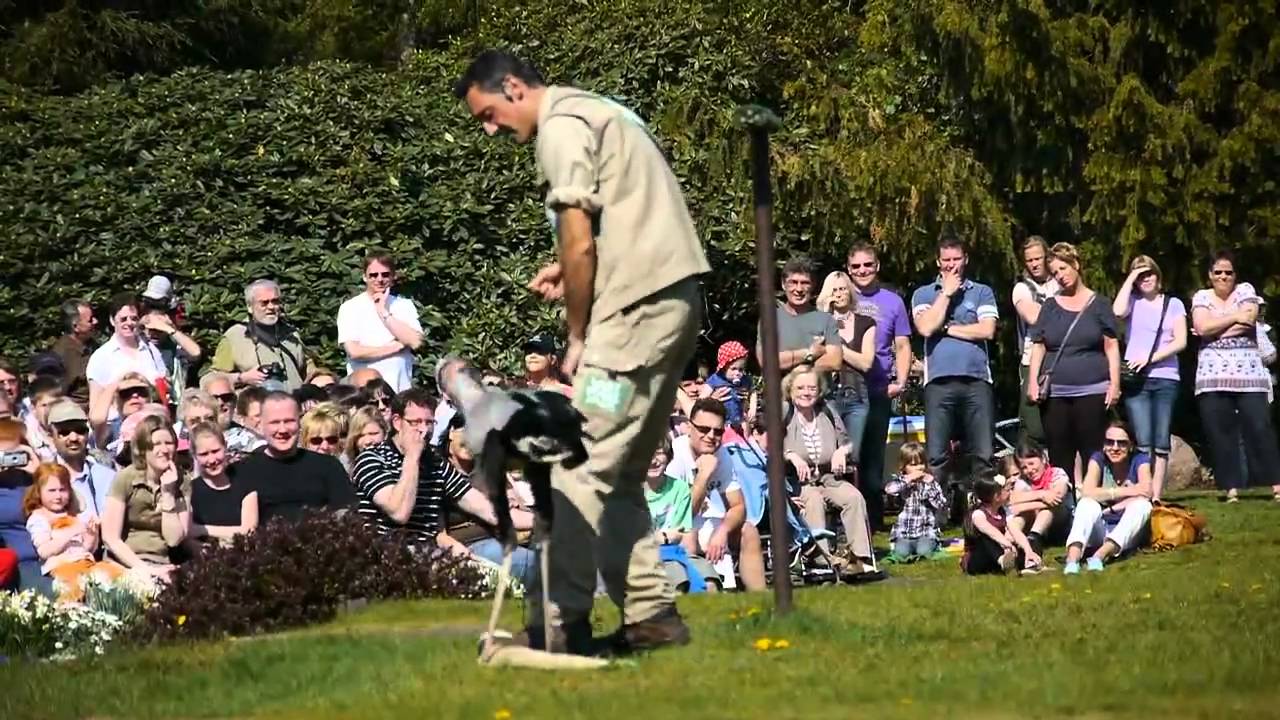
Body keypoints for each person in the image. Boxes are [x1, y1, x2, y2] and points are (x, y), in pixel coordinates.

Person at [455, 48, 711, 654]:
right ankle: (651, 616)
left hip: (632, 317)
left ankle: (558, 621)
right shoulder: (603, 112)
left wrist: (577, 329)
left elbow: (579, 240)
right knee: (617, 473)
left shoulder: (561, 127)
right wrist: (574, 269)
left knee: (572, 461)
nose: (490, 130)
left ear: (513, 87)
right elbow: (620, 223)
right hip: (672, 303)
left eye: (489, 114)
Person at [1026, 242, 1120, 486]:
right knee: (1059, 454)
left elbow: (1111, 345)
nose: (1060, 276)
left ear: (1076, 264)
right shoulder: (1050, 306)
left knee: (1093, 452)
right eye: (1055, 273)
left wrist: (1115, 384)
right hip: (1056, 393)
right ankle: (1064, 504)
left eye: (1063, 268)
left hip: (1093, 390)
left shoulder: (1100, 304)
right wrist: (1033, 382)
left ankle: (1093, 502)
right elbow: (1039, 345)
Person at [1190, 251, 1280, 503]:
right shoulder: (1201, 296)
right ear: (1210, 275)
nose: (1223, 276)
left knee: (1260, 429)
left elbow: (1248, 320)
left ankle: (1277, 485)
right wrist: (1232, 317)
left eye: (1228, 272)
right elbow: (1201, 326)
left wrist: (1214, 330)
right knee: (1221, 433)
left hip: (1250, 377)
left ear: (1235, 274)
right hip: (1212, 378)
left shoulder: (1245, 291)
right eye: (1218, 272)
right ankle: (1231, 490)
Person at [912, 231, 1000, 477]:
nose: (951, 265)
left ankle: (983, 501)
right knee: (937, 456)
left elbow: (987, 330)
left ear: (966, 259)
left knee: (983, 453)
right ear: (938, 262)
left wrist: (947, 328)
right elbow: (926, 327)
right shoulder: (924, 294)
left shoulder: (981, 291)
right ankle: (937, 503)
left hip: (977, 380)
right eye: (946, 260)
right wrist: (946, 293)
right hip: (938, 382)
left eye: (956, 259)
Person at [845, 242, 912, 529]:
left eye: (867, 265)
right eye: (856, 266)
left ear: (877, 266)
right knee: (846, 455)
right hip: (843, 390)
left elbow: (902, 344)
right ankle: (845, 520)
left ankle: (872, 522)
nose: (862, 271)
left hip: (878, 388)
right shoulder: (841, 295)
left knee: (873, 460)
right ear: (848, 269)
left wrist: (901, 381)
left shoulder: (892, 301)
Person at [1112, 255, 1186, 501]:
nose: (1145, 279)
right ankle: (1144, 490)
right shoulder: (1132, 302)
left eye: (1148, 274)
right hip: (1137, 380)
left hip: (1165, 377)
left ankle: (1156, 495)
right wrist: (1131, 277)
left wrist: (1150, 358)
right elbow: (1117, 311)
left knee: (1161, 439)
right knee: (1142, 439)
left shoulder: (1173, 304)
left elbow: (1181, 341)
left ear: (1158, 275)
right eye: (1140, 276)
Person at [234, 392, 356, 523]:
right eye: (275, 422)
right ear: (262, 425)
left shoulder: (328, 466)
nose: (282, 430)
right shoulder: (242, 472)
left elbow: (346, 511)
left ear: (299, 423)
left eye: (289, 421)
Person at [101, 415, 191, 579]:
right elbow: (110, 537)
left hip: (162, 562)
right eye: (156, 444)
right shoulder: (126, 478)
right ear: (143, 449)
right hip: (124, 562)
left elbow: (174, 539)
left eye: (169, 443)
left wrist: (168, 493)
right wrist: (144, 569)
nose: (164, 450)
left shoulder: (182, 481)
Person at [23, 463, 123, 602]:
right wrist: (73, 531)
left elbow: (87, 548)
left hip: (86, 563)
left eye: (62, 490)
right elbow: (44, 551)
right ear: (39, 492)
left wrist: (91, 535)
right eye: (52, 491)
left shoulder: (74, 516)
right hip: (62, 566)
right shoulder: (39, 518)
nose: (58, 496)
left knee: (115, 576)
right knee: (75, 587)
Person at [1062, 421, 1154, 574]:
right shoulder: (1098, 459)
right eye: (1110, 442)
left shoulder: (1140, 459)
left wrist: (1109, 504)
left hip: (1129, 531)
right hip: (1102, 527)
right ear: (1104, 445)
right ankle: (1072, 560)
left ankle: (1099, 556)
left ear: (1131, 446)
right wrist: (1128, 491)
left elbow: (1146, 491)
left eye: (1122, 443)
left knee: (1143, 506)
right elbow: (1087, 492)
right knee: (1086, 504)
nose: (1115, 448)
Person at [815, 270, 876, 488]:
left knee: (852, 455)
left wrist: (837, 344)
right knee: (827, 454)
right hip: (827, 395)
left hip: (856, 396)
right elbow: (814, 354)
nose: (839, 294)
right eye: (834, 290)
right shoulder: (819, 322)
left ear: (850, 291)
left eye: (843, 289)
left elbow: (866, 363)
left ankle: (853, 502)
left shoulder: (866, 323)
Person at [337, 252, 423, 392]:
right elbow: (355, 352)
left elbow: (416, 342)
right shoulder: (350, 308)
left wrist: (383, 311)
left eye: (385, 274)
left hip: (400, 390)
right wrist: (397, 346)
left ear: (393, 276)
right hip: (363, 391)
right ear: (364, 276)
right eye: (373, 275)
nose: (380, 279)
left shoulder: (404, 305)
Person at [208, 279, 314, 393]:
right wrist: (241, 378)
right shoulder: (234, 337)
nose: (271, 307)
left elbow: (308, 368)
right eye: (264, 303)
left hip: (295, 402)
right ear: (250, 307)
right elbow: (212, 378)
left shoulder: (291, 334)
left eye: (275, 301)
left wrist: (318, 378)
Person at [1011, 236, 1060, 446]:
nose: (1034, 264)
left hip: (1062, 359)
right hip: (1032, 362)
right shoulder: (1022, 288)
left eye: (1038, 258)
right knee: (1034, 427)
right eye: (1029, 260)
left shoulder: (1061, 282)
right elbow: (1033, 317)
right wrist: (1065, 313)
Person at [187, 423, 258, 547]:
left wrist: (200, 529)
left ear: (225, 447)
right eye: (204, 454)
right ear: (194, 456)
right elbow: (187, 534)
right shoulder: (190, 491)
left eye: (215, 451)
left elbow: (248, 531)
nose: (212, 460)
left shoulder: (245, 485)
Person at [961, 472, 1040, 576]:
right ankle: (1004, 561)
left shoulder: (1004, 511)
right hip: (978, 559)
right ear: (997, 496)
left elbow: (1016, 532)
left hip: (1000, 551)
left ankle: (1028, 562)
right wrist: (1007, 544)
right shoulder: (978, 514)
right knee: (986, 538)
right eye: (1007, 490)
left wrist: (1028, 550)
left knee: (1030, 541)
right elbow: (991, 531)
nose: (1010, 492)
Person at [883, 441, 946, 561]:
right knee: (901, 553)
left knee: (924, 551)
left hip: (925, 532)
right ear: (903, 467)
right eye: (913, 465)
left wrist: (930, 485)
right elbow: (889, 490)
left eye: (921, 463)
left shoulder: (931, 482)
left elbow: (940, 504)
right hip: (904, 533)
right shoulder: (901, 481)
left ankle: (933, 544)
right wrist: (908, 479)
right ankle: (902, 546)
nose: (918, 468)